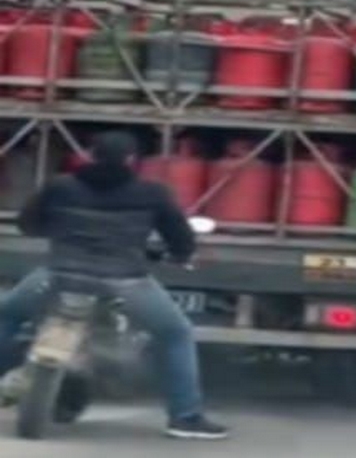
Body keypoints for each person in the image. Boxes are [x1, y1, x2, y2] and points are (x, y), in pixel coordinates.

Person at [0, 131, 229, 440]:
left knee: (8, 315)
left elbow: (28, 224)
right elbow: (180, 238)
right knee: (175, 333)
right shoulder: (153, 192)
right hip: (125, 280)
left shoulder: (60, 187)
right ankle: (185, 417)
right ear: (132, 161)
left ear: (90, 154)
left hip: (59, 275)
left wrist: (59, 231)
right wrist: (180, 256)